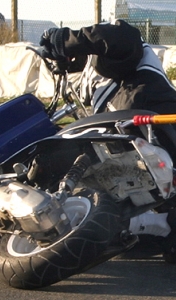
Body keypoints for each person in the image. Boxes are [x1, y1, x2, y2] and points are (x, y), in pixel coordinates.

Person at [39, 19, 176, 260]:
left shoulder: (122, 44)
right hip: (130, 141)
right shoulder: (88, 77)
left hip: (155, 123)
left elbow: (118, 36)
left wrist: (66, 39)